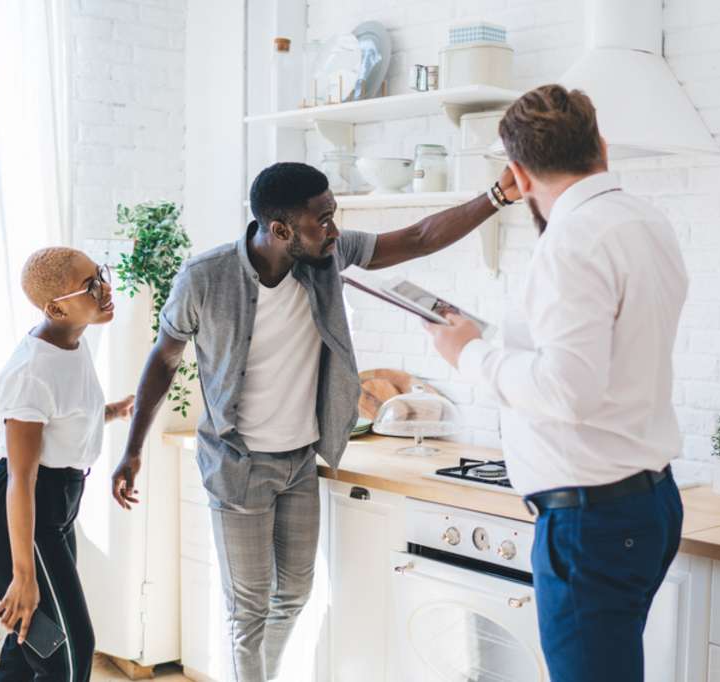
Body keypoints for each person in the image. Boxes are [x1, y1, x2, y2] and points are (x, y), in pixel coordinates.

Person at [111, 161, 520, 682]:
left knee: (294, 596)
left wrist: (495, 197)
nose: (333, 229)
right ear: (280, 229)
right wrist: (134, 448)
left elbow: (417, 237)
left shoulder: (327, 256)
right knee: (249, 610)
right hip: (238, 467)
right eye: (322, 219)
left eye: (334, 215)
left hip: (301, 461)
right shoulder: (205, 278)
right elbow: (163, 359)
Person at [423, 84, 687, 682]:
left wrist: (469, 354)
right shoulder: (648, 221)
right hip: (647, 502)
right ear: (602, 145)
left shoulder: (573, 242)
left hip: (591, 521)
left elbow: (570, 390)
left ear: (517, 172)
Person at [0, 247, 135, 682]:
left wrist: (112, 412)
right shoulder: (32, 371)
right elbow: (22, 478)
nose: (106, 289)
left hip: (53, 507)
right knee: (69, 653)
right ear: (55, 307)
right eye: (91, 286)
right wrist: (23, 577)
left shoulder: (70, 341)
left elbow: (61, 419)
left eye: (101, 275)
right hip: (20, 511)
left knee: (32, 640)